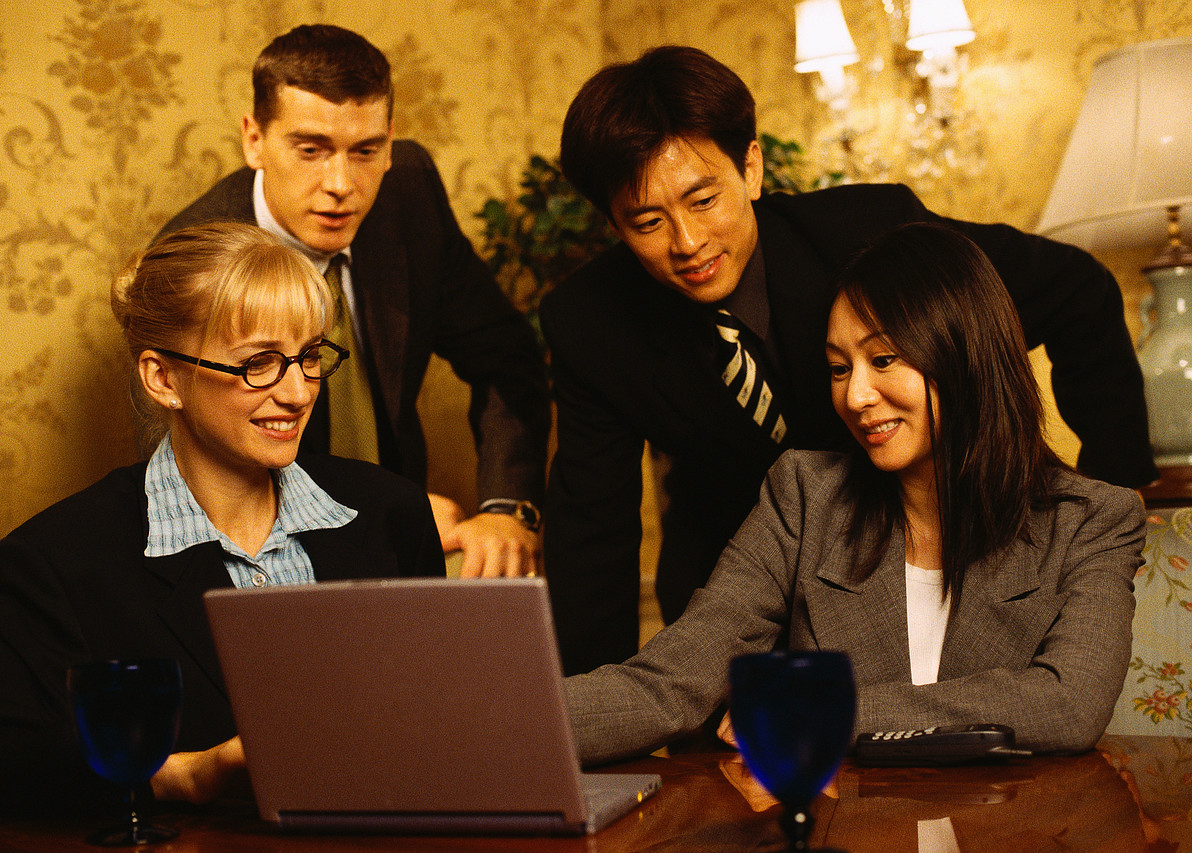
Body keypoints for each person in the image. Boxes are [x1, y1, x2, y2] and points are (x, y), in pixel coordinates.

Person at [541, 45, 1155, 675]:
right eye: (647, 221)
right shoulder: (591, 322)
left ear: (750, 167)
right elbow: (592, 540)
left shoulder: (865, 231)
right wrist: (588, 744)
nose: (688, 243)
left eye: (703, 201)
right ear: (614, 223)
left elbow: (1077, 290)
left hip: (915, 577)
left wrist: (1118, 488)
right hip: (736, 616)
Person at [565, 222, 1145, 765]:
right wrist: (493, 720)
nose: (856, 396)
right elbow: (671, 684)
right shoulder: (804, 497)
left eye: (884, 359)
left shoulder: (1095, 519)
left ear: (965, 356)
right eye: (839, 368)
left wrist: (826, 709)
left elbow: (1069, 704)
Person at [0, 222, 446, 816]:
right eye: (260, 364)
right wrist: (182, 775)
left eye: (308, 357)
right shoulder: (60, 560)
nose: (298, 392)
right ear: (163, 378)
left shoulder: (390, 514)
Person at [157, 24, 550, 578]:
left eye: (366, 151)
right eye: (311, 150)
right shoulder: (196, 262)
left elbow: (508, 358)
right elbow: (203, 476)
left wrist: (507, 507)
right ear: (254, 140)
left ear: (390, 141)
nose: (341, 183)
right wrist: (385, 515)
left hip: (406, 528)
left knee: (501, 585)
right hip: (259, 549)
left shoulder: (409, 194)